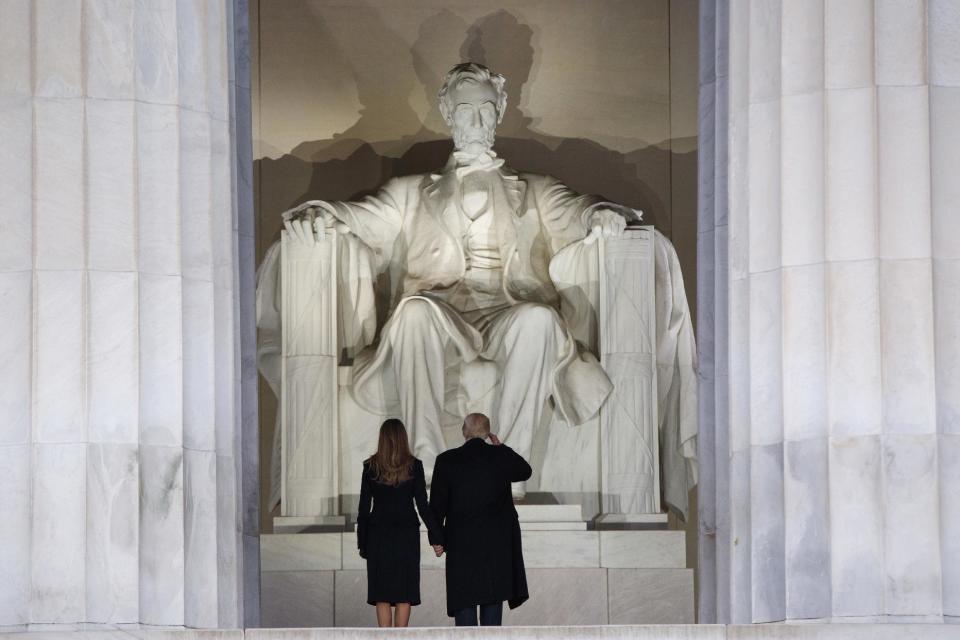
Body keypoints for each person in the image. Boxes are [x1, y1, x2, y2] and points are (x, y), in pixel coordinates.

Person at [429, 412, 532, 626]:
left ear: (464, 432)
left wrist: (437, 538)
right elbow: (525, 470)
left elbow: (436, 506)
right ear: (488, 433)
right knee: (492, 618)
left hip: (461, 549)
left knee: (464, 613)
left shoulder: (446, 461)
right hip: (495, 549)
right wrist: (501, 447)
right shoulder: (499, 457)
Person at [357, 419, 444, 627]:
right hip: (406, 535)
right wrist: (439, 538)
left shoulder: (370, 467)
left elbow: (363, 509)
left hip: (379, 536)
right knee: (404, 594)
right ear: (404, 438)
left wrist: (363, 543)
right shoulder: (415, 466)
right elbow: (423, 506)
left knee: (382, 594)